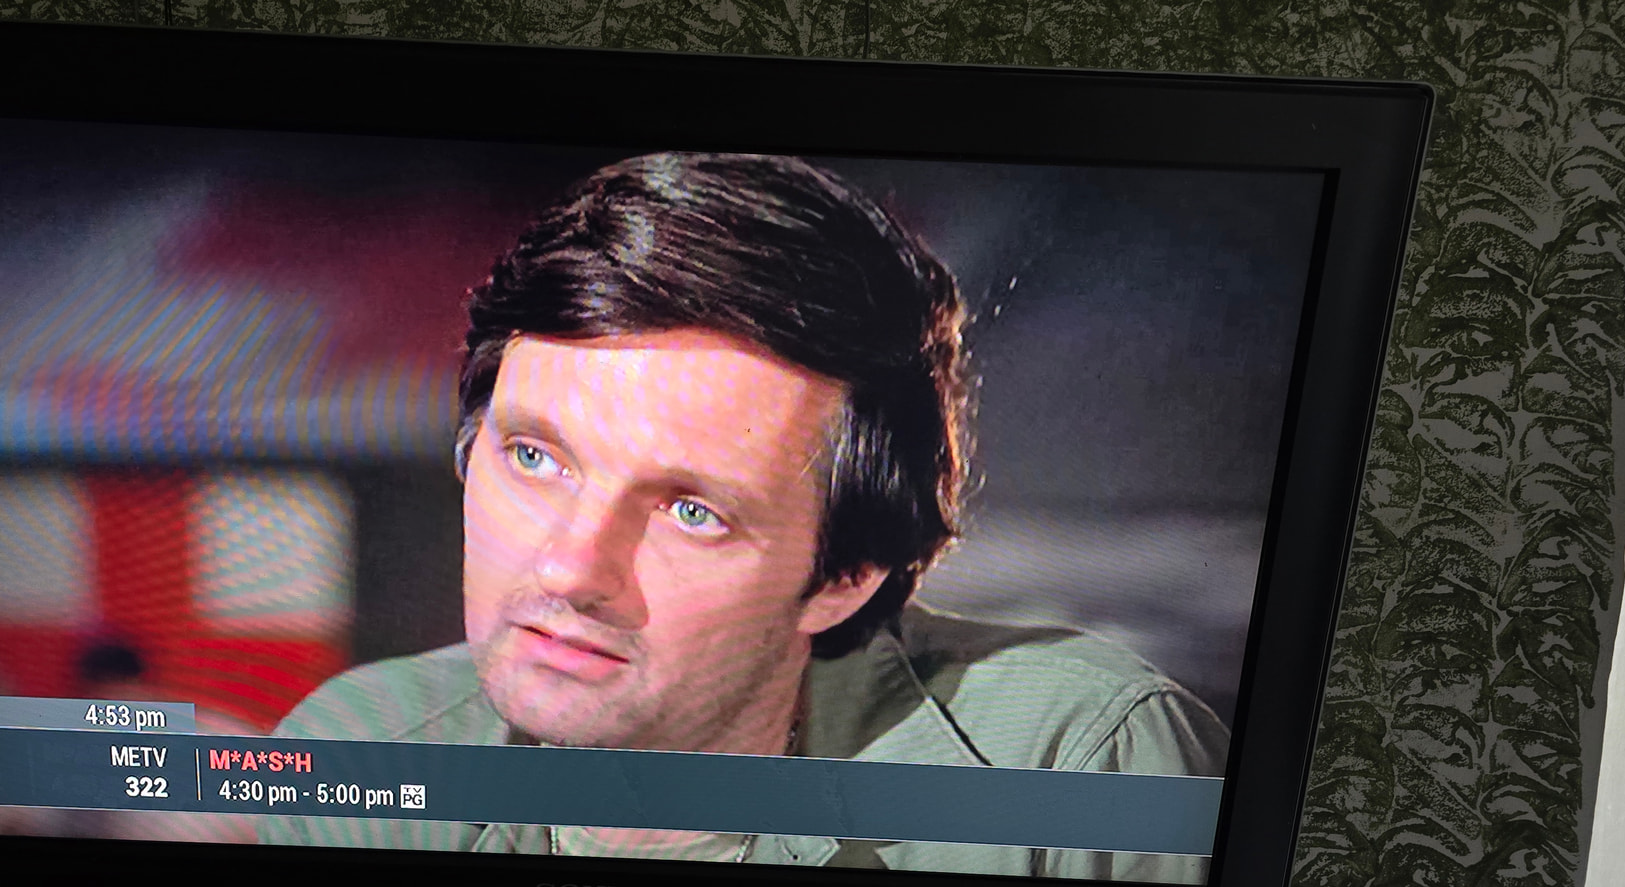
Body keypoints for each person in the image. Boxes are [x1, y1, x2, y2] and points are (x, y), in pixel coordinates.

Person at [259, 152, 1228, 881]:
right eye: (536, 457)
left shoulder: (1083, 765)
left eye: (691, 510)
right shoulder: (360, 752)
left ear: (844, 576)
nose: (568, 569)